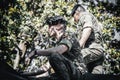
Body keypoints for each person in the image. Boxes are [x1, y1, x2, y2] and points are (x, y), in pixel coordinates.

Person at [25, 16, 87, 80]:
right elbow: (46, 67)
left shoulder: (68, 35)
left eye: (49, 26)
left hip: (78, 73)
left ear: (54, 27)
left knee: (53, 55)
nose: (48, 29)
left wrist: (36, 52)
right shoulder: (59, 43)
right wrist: (26, 74)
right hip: (68, 72)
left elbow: (58, 51)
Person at [71, 4, 105, 74]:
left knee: (72, 60)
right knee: (95, 76)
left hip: (93, 49)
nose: (74, 21)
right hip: (97, 52)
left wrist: (78, 46)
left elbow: (88, 28)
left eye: (74, 17)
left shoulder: (84, 15)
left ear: (77, 13)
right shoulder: (91, 17)